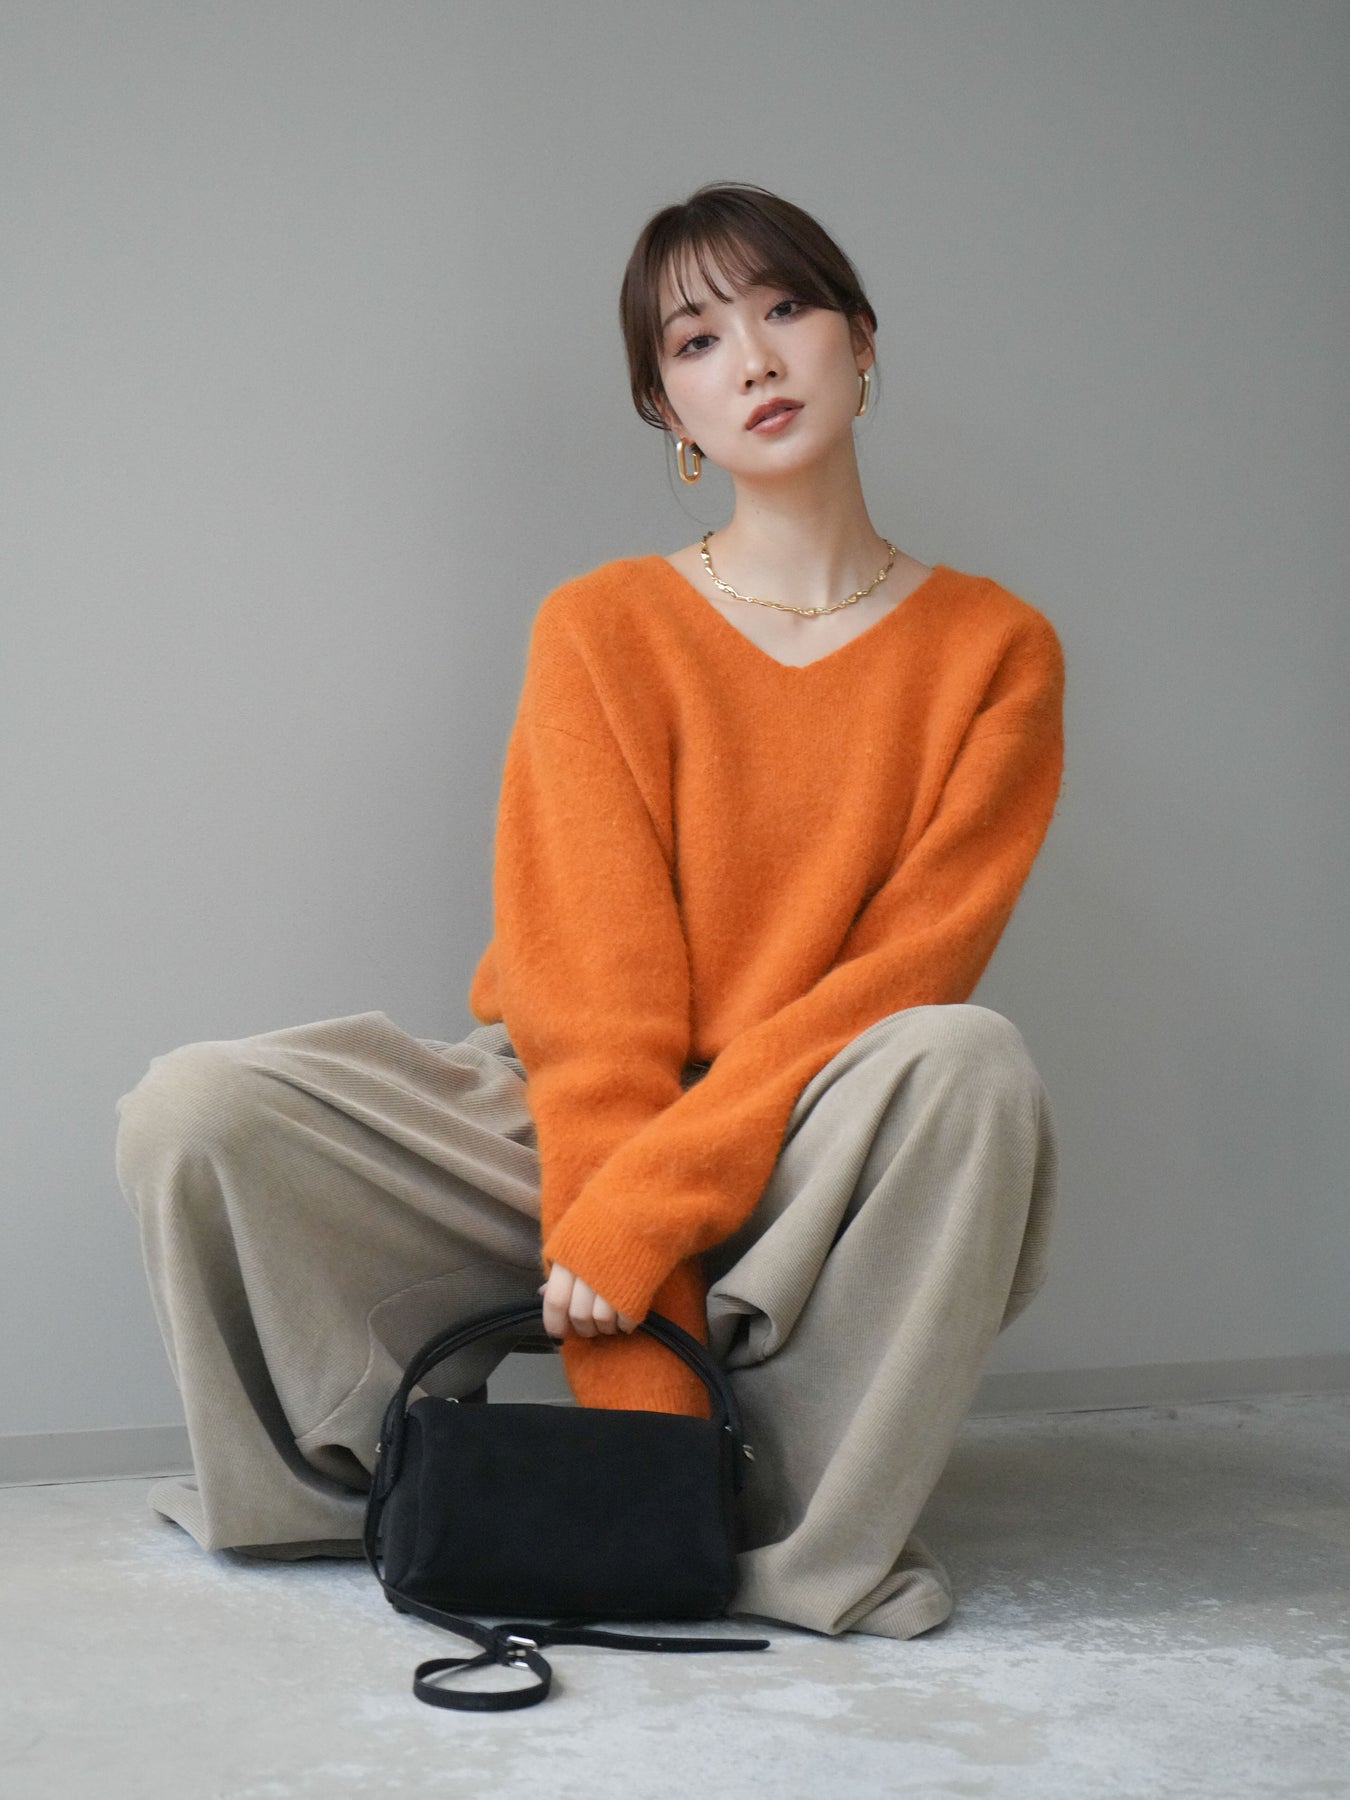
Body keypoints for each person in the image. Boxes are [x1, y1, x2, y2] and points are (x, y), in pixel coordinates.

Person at [114, 181, 1065, 1641]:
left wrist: (653, 1214)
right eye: (697, 340)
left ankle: (791, 1538)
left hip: (811, 1126)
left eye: (786, 309)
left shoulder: (995, 649)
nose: (754, 359)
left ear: (862, 341)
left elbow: (903, 974)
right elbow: (594, 1005)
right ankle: (366, 1500)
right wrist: (632, 1353)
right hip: (562, 1110)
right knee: (198, 1108)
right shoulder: (604, 624)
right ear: (665, 408)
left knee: (967, 1060)